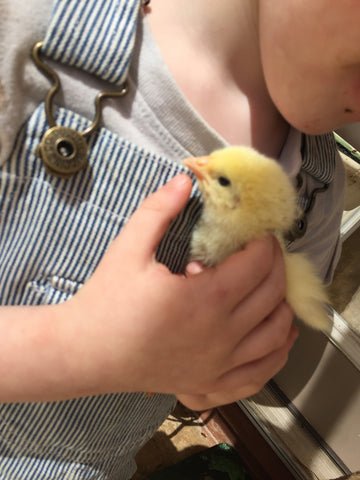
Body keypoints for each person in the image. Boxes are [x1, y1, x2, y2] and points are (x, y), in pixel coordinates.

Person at [0, 0, 357, 478]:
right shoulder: (27, 31)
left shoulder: (314, 195)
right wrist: (77, 349)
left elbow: (241, 353)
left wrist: (216, 374)